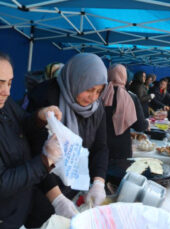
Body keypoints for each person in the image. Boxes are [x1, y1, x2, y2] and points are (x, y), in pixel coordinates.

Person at [25, 53, 109, 227]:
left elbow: (101, 147)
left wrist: (98, 182)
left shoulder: (96, 108)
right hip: (41, 190)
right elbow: (35, 150)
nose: (93, 97)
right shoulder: (45, 97)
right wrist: (57, 199)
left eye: (98, 91)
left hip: (73, 185)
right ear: (76, 80)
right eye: (88, 89)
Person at [0, 51, 63, 229]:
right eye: (0, 83)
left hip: (19, 209)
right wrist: (44, 161)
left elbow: (22, 122)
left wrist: (39, 116)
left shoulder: (6, 103)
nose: (6, 91)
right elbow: (2, 183)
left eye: (10, 83)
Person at [102, 64, 149, 161]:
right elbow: (140, 126)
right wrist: (147, 123)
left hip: (100, 145)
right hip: (122, 147)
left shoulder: (100, 94)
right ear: (125, 78)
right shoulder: (131, 97)